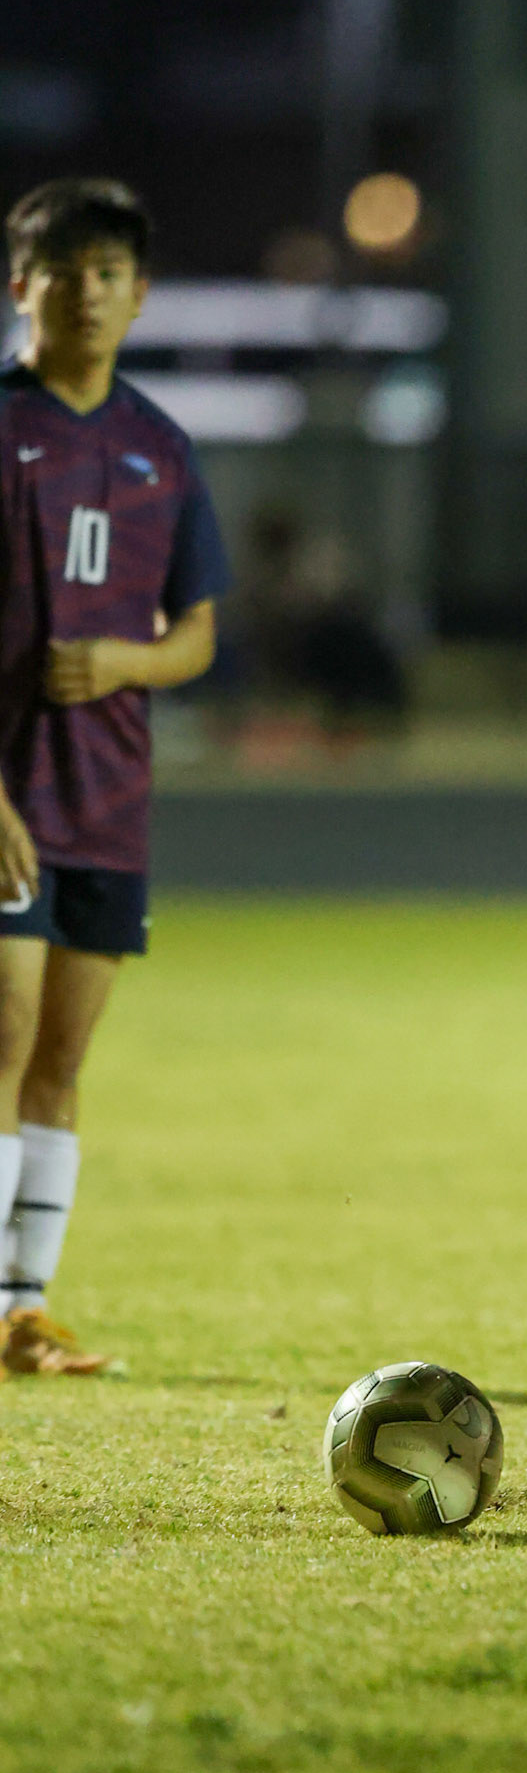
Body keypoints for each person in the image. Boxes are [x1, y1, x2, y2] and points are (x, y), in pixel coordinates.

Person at [0, 178, 230, 1376]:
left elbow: (195, 634)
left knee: (60, 1060)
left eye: (107, 273)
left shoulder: (158, 446)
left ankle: (24, 1308)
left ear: (136, 295)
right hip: (6, 794)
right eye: (61, 268)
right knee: (4, 1023)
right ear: (19, 283)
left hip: (107, 798)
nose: (84, 291)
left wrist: (125, 660)